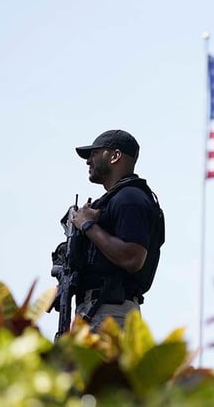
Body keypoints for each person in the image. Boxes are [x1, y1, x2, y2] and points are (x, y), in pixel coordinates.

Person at [68, 129, 165, 331]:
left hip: (110, 313)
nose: (88, 161)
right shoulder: (115, 200)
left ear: (115, 156)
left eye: (94, 153)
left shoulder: (130, 198)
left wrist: (88, 226)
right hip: (96, 310)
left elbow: (133, 258)